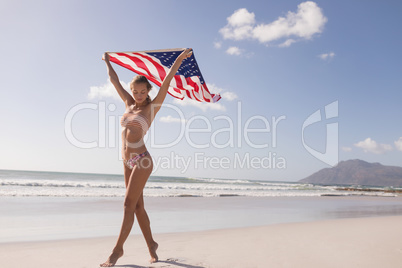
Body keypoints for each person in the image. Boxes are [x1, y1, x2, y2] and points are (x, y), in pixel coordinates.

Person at [100, 48, 193, 267]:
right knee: (138, 207)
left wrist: (179, 59)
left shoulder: (152, 107)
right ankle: (152, 245)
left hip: (142, 160)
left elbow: (167, 82)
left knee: (127, 204)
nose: (139, 95)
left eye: (142, 92)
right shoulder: (128, 104)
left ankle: (117, 250)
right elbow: (113, 80)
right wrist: (107, 61)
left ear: (147, 91)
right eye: (136, 91)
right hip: (126, 161)